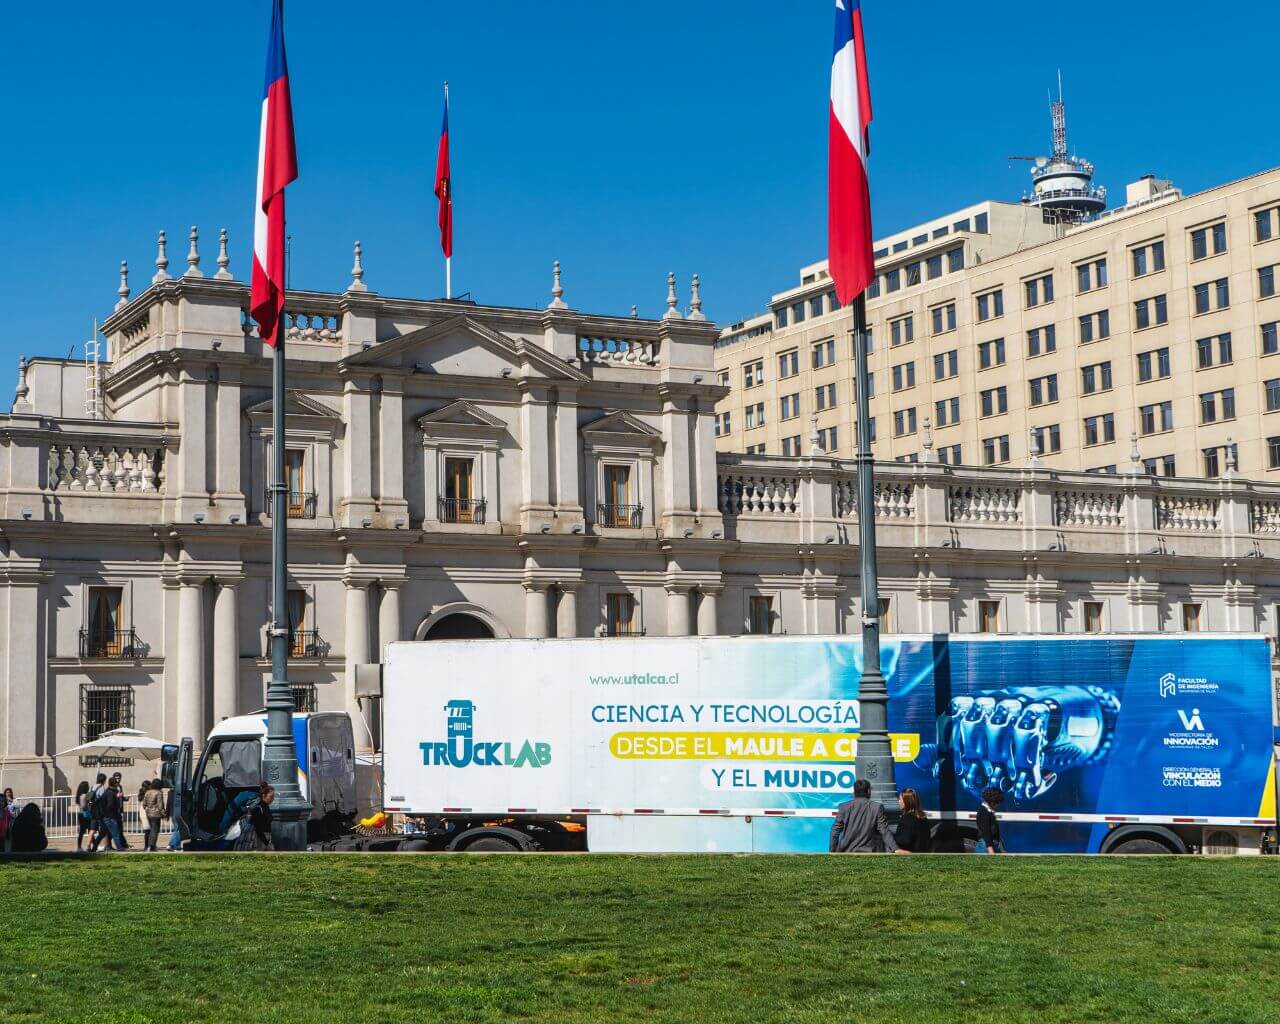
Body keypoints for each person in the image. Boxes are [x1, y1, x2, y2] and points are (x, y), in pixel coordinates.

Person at [830, 778, 906, 854]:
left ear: (854, 791)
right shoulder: (877, 807)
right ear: (868, 791)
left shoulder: (843, 807)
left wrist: (832, 851)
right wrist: (895, 849)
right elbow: (884, 830)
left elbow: (835, 831)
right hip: (868, 853)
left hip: (846, 852)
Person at [894, 787, 931, 853]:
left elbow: (904, 841)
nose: (898, 801)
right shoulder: (923, 818)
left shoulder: (906, 819)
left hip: (910, 855)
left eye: (900, 799)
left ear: (906, 801)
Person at [976, 786, 1005, 854]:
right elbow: (986, 831)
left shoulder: (989, 811)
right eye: (997, 803)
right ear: (992, 802)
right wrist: (990, 848)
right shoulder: (984, 812)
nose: (998, 805)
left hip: (992, 843)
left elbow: (995, 830)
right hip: (986, 845)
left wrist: (1001, 848)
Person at [141, 777, 166, 852]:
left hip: (148, 813)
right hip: (156, 814)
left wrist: (147, 809)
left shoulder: (148, 792)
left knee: (152, 829)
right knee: (155, 830)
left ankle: (150, 846)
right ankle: (151, 846)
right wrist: (163, 813)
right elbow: (160, 805)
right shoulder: (159, 792)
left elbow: (144, 804)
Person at [75, 780, 93, 851]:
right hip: (85, 815)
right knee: (89, 831)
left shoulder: (79, 795)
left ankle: (82, 846)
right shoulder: (84, 796)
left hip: (82, 815)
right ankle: (88, 846)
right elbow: (84, 806)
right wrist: (89, 805)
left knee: (85, 832)